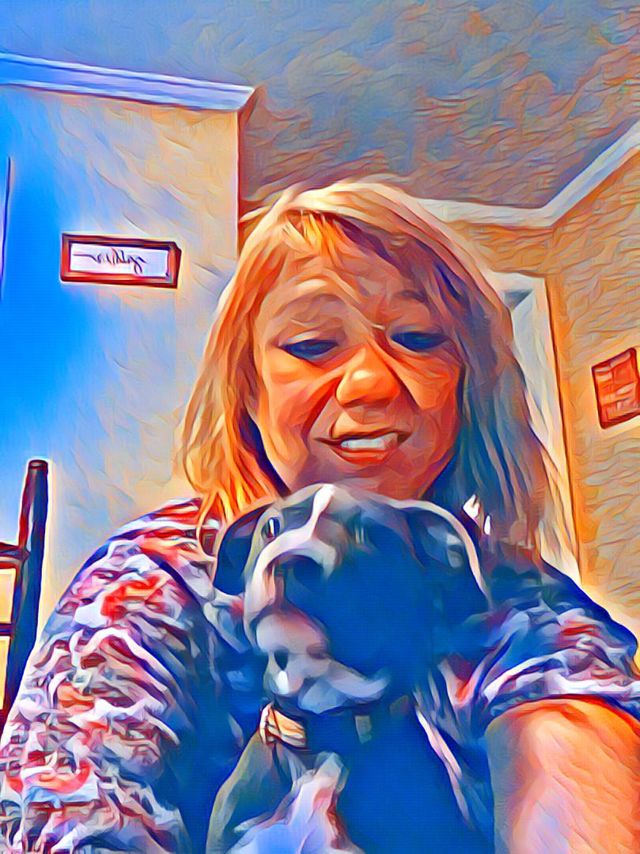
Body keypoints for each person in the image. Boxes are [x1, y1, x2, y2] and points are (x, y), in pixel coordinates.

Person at [0, 181, 638, 853]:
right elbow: (71, 805)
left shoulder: (506, 592)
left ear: (469, 387)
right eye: (310, 344)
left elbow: (570, 728)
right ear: (247, 390)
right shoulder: (152, 584)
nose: (370, 383)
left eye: (418, 338)